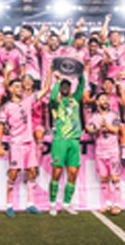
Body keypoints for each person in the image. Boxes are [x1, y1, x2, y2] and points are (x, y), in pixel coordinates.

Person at [0, 64, 52, 218]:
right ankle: (9, 206)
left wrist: (49, 72)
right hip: (16, 144)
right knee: (13, 173)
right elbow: (0, 127)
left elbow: (45, 89)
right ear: (11, 89)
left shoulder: (28, 101)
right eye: (17, 87)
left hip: (29, 143)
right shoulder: (7, 107)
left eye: (21, 87)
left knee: (32, 172)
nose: (20, 89)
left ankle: (30, 204)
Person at [48, 71, 85, 216]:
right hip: (61, 139)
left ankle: (66, 204)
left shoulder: (75, 99)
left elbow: (82, 85)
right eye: (63, 85)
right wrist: (57, 81)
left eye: (67, 85)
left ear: (70, 88)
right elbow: (51, 97)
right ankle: (52, 204)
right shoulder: (56, 101)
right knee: (56, 172)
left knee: (73, 173)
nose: (65, 87)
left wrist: (80, 72)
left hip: (74, 140)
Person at [86, 93, 122, 215]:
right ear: (97, 103)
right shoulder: (93, 117)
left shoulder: (114, 115)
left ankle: (117, 205)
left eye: (106, 99)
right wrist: (98, 129)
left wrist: (106, 125)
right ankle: (107, 203)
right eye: (102, 99)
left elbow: (116, 129)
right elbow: (90, 130)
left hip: (113, 151)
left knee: (115, 177)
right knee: (104, 178)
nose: (105, 101)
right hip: (100, 152)